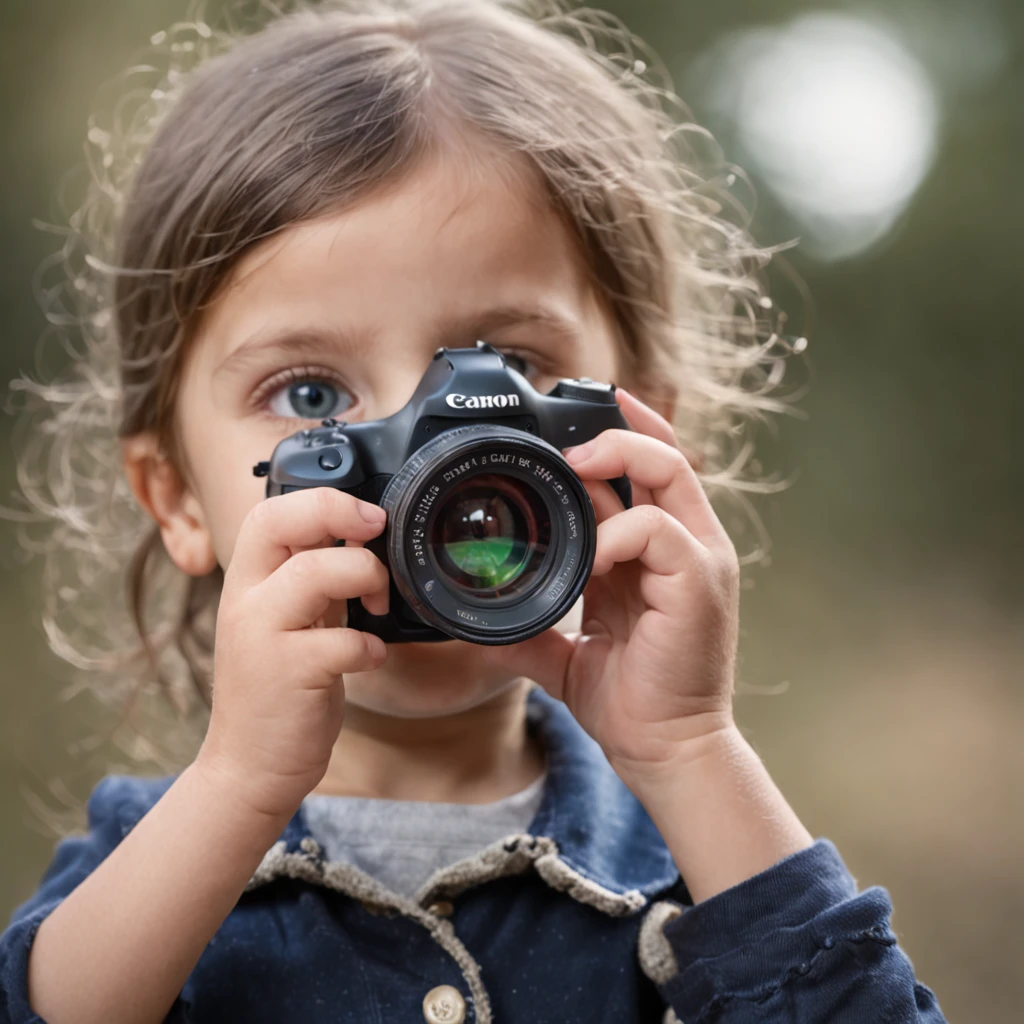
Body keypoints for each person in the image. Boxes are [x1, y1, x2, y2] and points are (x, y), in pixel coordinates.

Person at [0, 1, 948, 1022]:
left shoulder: (705, 869)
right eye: (312, 395)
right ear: (178, 497)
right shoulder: (141, 869)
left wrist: (687, 749)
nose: (432, 459)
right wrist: (237, 784)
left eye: (510, 369)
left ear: (639, 443)